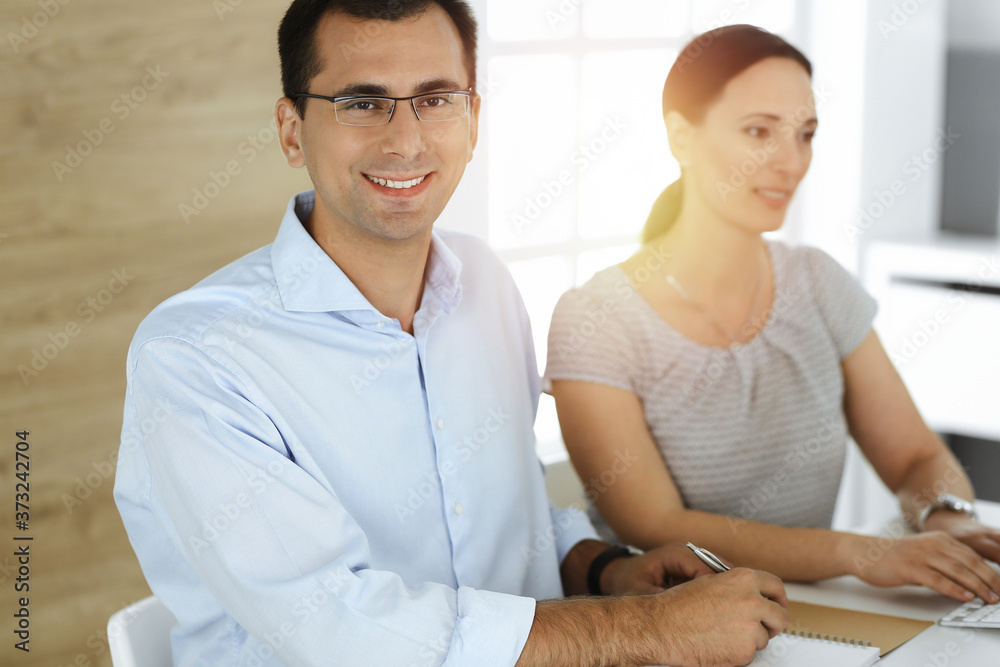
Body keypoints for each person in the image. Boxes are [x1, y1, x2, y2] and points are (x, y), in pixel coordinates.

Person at [114, 3, 790, 666]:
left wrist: (602, 567)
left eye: (435, 100)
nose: (405, 141)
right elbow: (341, 631)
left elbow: (509, 509)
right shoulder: (195, 358)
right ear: (292, 131)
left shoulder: (486, 285)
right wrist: (648, 629)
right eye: (361, 102)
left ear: (473, 121)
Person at [546, 24, 1000, 606]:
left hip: (809, 616)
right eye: (759, 131)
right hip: (657, 625)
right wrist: (861, 554)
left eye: (805, 134)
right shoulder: (597, 319)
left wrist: (947, 516)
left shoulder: (817, 284)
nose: (790, 161)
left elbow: (915, 456)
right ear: (681, 137)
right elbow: (654, 524)